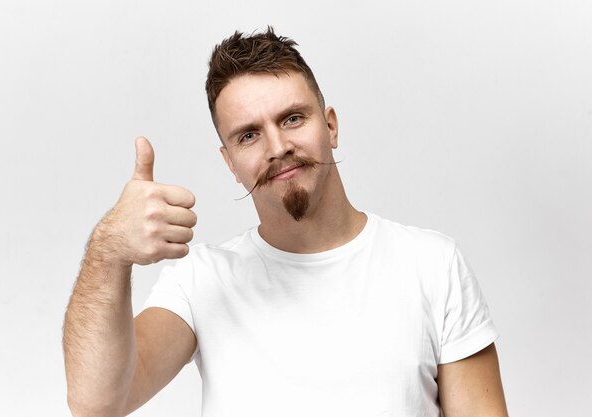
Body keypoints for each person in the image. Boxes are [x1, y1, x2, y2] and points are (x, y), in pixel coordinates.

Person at [63, 27, 508, 417]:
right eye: (249, 135)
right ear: (230, 163)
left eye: (292, 118)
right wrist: (109, 252)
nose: (277, 146)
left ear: (330, 126)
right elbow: (97, 404)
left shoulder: (431, 264)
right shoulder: (201, 280)